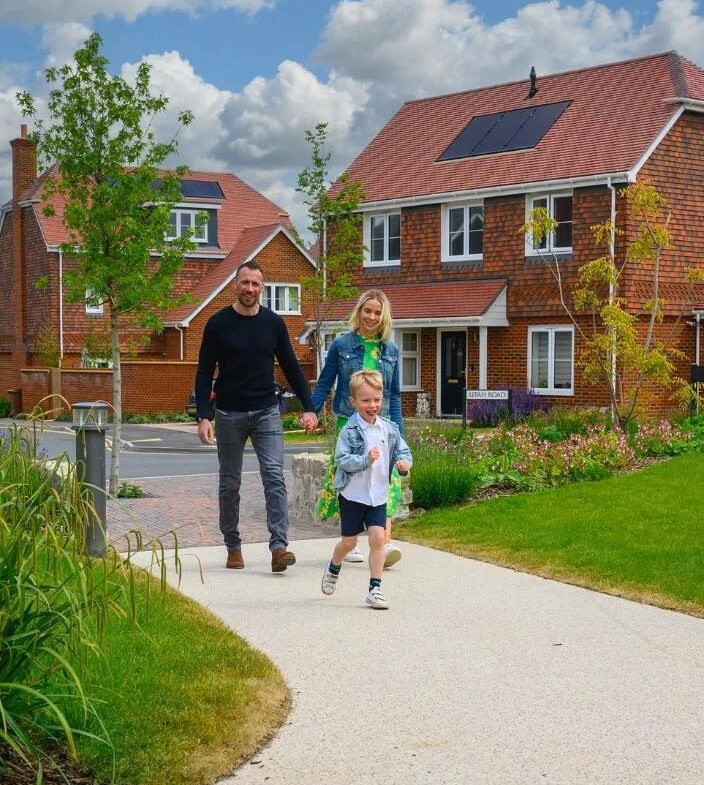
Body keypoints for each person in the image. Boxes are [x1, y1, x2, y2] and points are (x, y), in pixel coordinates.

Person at [195, 260, 318, 572]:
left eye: (255, 284)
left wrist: (309, 406)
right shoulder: (218, 324)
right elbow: (204, 371)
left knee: (274, 477)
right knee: (229, 482)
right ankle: (232, 545)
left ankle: (279, 547)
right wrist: (204, 416)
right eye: (244, 282)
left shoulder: (273, 324)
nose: (249, 289)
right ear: (235, 284)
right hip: (228, 413)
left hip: (266, 412)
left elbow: (291, 366)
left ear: (262, 288)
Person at [308, 289, 404, 567]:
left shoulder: (391, 350)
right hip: (350, 424)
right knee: (351, 480)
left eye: (377, 312)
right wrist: (311, 410)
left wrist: (399, 434)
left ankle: (382, 544)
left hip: (383, 424)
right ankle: (350, 542)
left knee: (387, 482)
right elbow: (325, 382)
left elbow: (394, 396)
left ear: (383, 316)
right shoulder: (342, 345)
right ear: (359, 311)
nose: (371, 317)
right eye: (367, 310)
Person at [320, 370, 412, 609]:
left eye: (377, 400)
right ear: (353, 402)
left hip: (377, 496)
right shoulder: (349, 431)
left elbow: (403, 451)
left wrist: (404, 465)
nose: (372, 405)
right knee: (349, 543)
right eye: (366, 400)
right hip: (353, 495)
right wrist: (364, 460)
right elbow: (341, 459)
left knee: (378, 539)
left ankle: (375, 589)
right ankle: (334, 566)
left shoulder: (389, 429)